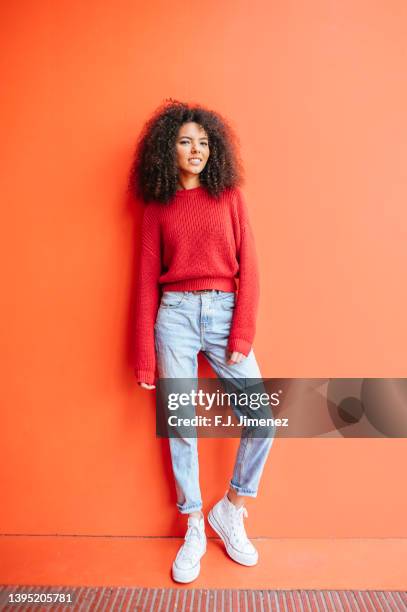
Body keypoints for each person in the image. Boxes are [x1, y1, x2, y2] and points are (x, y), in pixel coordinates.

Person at [128, 99, 275, 583]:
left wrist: (243, 330)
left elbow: (251, 267)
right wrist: (145, 358)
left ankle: (230, 510)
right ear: (167, 150)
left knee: (262, 418)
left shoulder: (230, 197)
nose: (196, 150)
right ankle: (193, 521)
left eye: (204, 142)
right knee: (181, 425)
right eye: (186, 141)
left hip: (224, 311)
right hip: (174, 317)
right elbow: (146, 278)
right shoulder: (158, 206)